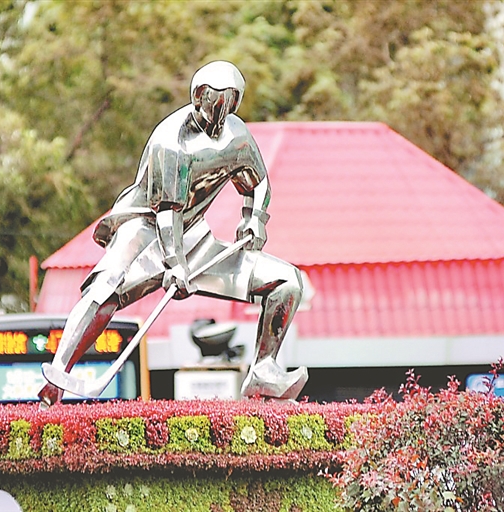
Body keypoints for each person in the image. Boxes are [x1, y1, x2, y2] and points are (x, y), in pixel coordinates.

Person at [38, 61, 307, 406]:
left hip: (194, 237)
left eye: (229, 103)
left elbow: (258, 182)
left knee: (286, 282)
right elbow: (167, 213)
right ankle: (59, 372)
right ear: (198, 97)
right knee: (105, 289)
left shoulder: (237, 136)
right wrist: (175, 266)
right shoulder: (171, 141)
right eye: (215, 102)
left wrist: (255, 218)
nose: (220, 114)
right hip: (145, 231)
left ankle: (264, 370)